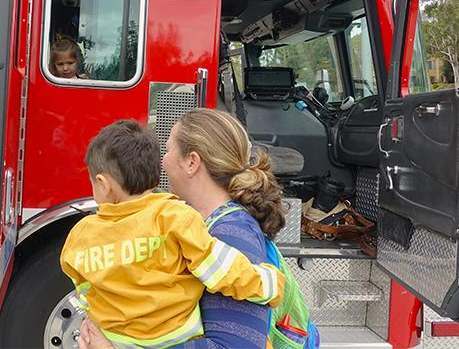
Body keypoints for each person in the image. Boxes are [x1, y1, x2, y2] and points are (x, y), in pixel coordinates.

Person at [78, 108, 318, 349]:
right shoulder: (195, 223)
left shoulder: (230, 233)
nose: (162, 160)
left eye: (169, 149)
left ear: (192, 162)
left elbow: (236, 346)